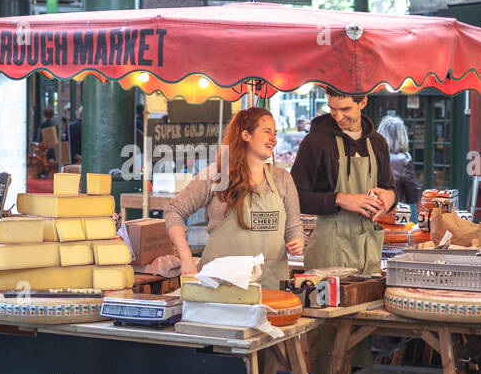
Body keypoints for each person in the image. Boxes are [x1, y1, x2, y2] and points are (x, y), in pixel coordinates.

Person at [164, 107, 304, 290]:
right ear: (246, 135)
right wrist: (186, 257)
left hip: (270, 288)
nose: (274, 139)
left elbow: (294, 226)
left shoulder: (282, 179)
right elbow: (174, 211)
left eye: (275, 133)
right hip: (219, 289)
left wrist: (297, 241)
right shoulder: (217, 175)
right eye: (267, 132)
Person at [290, 89, 397, 276]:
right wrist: (339, 199)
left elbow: (388, 187)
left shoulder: (378, 143)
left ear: (362, 102)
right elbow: (294, 197)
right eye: (332, 109)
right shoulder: (315, 142)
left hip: (368, 250)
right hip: (328, 252)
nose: (338, 117)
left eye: (345, 109)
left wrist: (390, 197)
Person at [376, 113, 422, 207]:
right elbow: (412, 195)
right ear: (402, 136)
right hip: (393, 211)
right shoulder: (403, 160)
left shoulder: (369, 154)